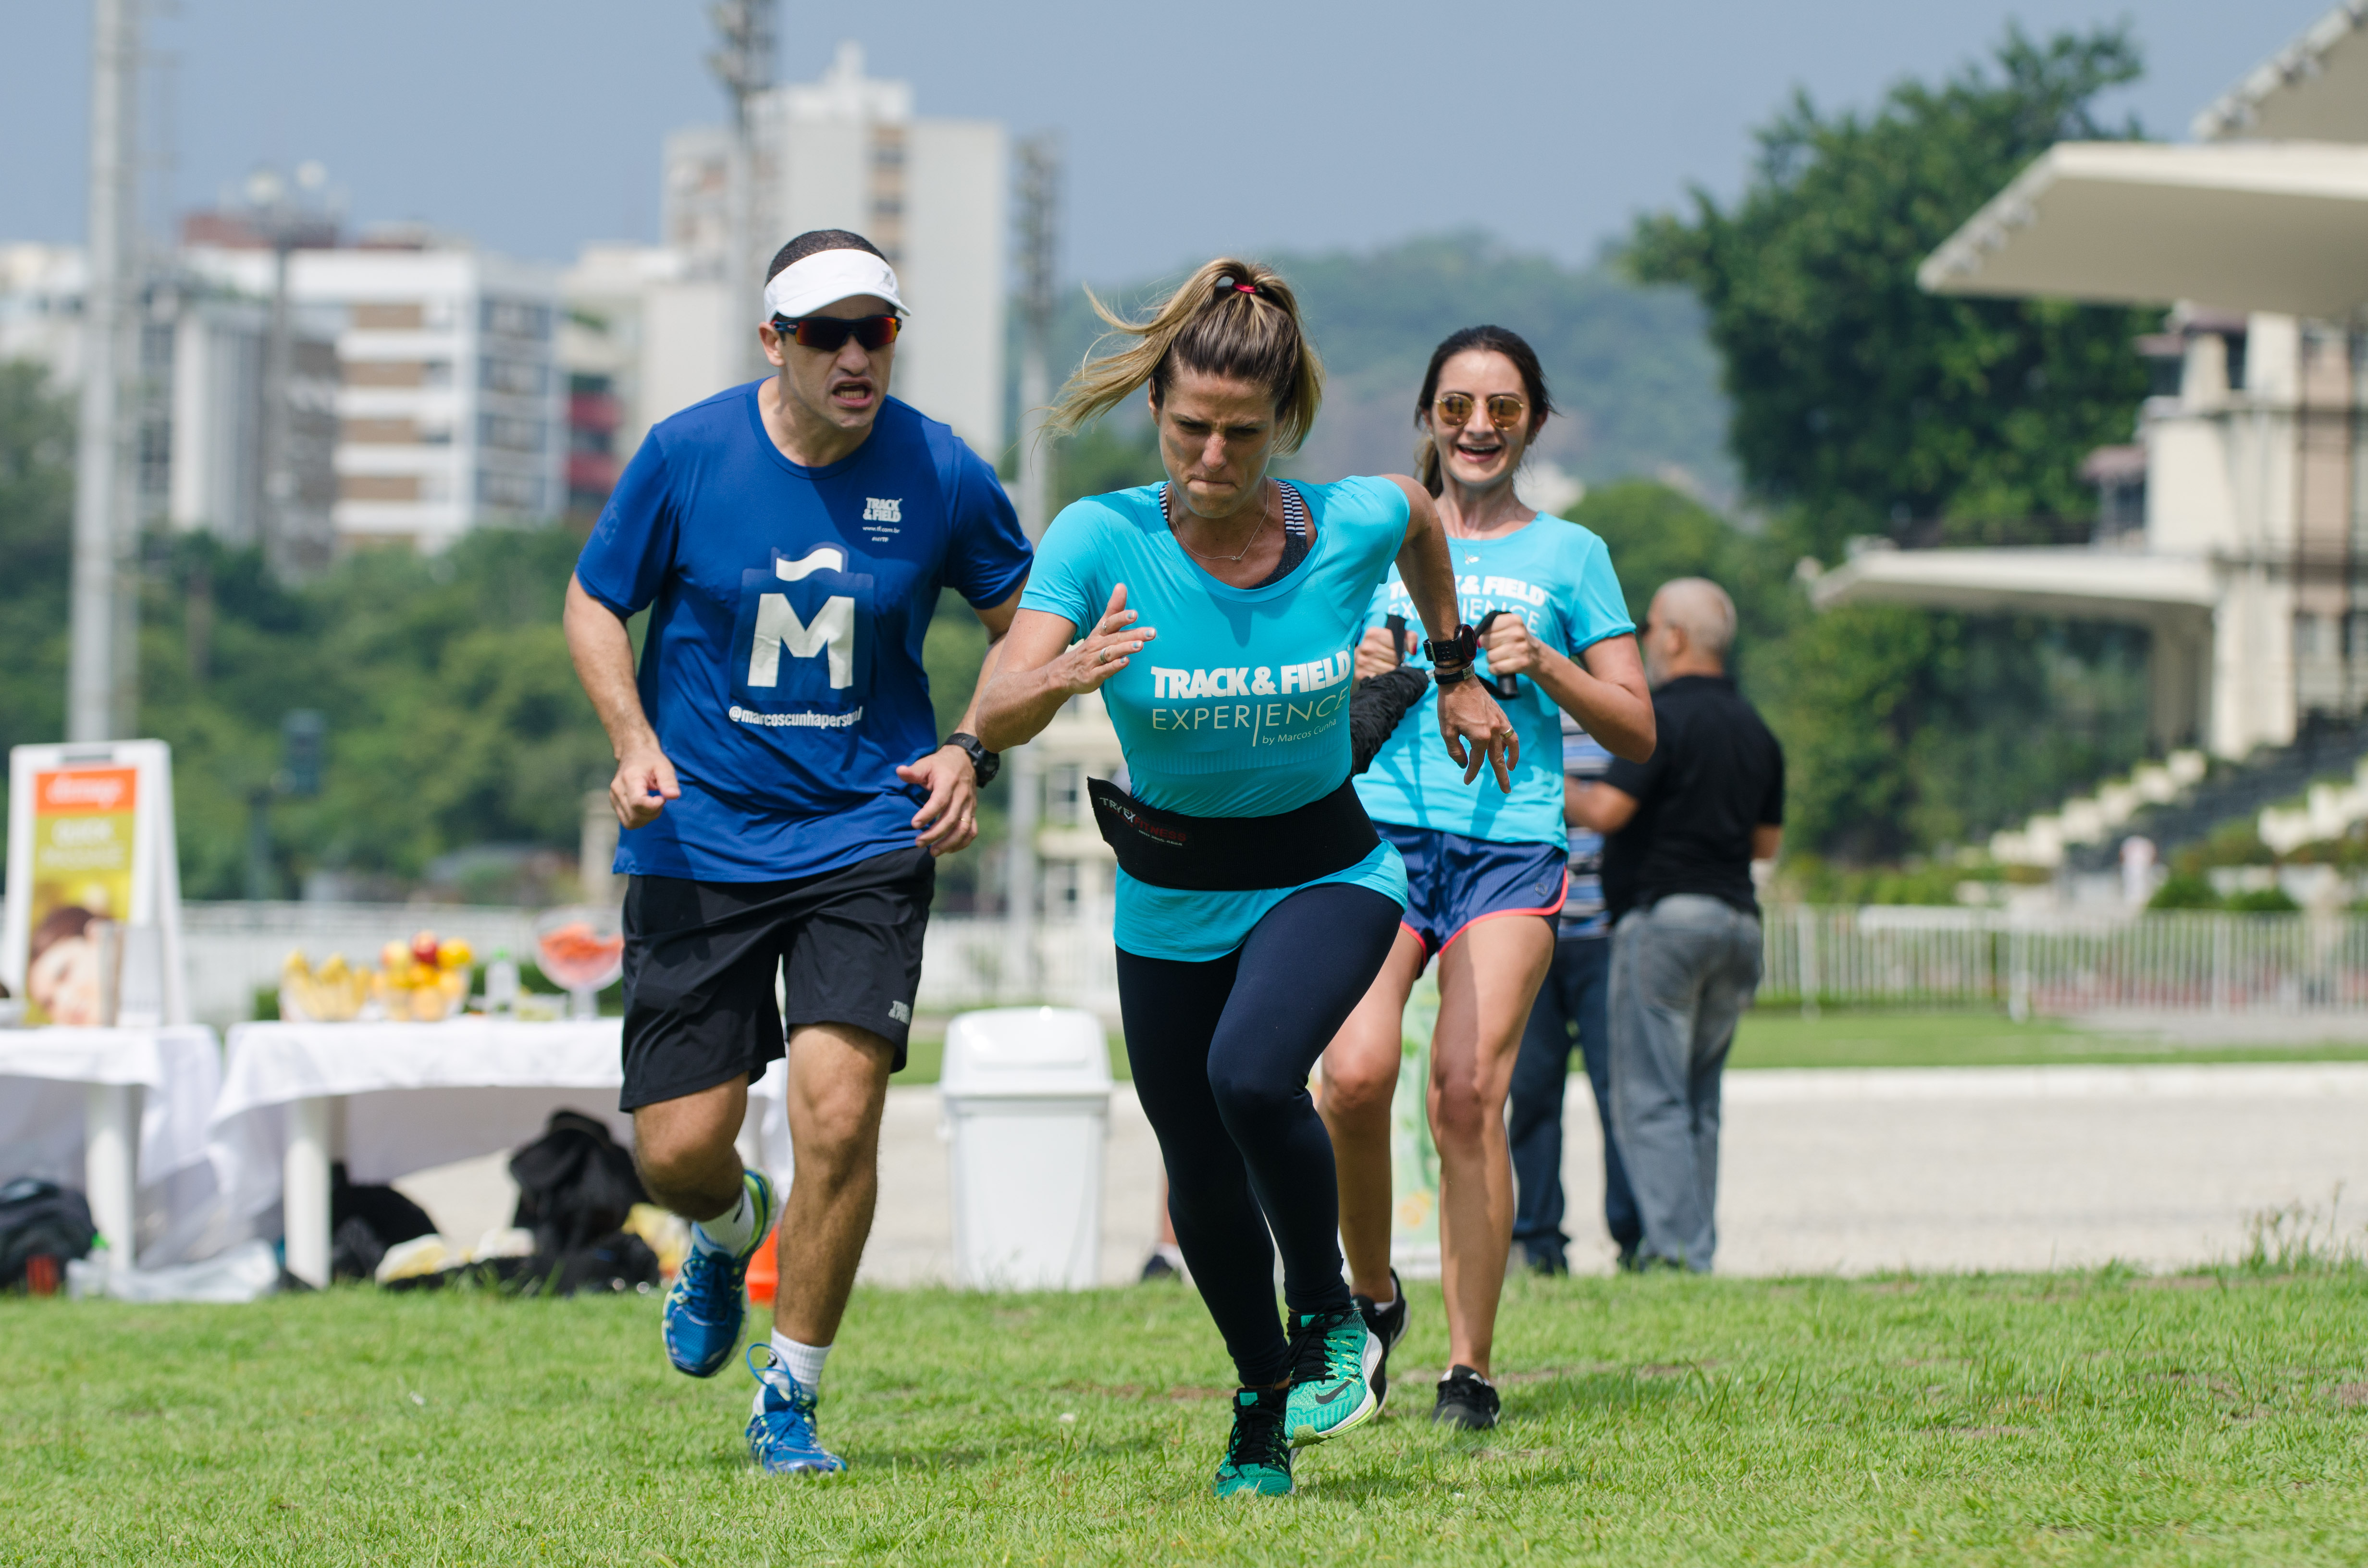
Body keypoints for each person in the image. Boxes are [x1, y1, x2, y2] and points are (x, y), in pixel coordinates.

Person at [978, 258, 1515, 1498]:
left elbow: (1424, 520)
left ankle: (1335, 1311)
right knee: (1195, 1161)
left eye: (1239, 433)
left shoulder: (1350, 521)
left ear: (1284, 427)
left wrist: (1454, 667)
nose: (1210, 457)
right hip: (1169, 896)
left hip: (1329, 869)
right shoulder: (1098, 536)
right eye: (1187, 430)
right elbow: (994, 705)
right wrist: (1048, 684)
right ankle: (1260, 1401)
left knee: (1250, 1074)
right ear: (1154, 414)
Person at [564, 229, 1032, 1476]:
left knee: (841, 1112)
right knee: (673, 1152)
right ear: (772, 342)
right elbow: (595, 598)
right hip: (700, 837)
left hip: (866, 838)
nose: (853, 356)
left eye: (874, 330)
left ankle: (792, 1393)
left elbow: (1023, 628)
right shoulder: (686, 456)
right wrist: (632, 738)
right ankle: (723, 1234)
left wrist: (970, 746)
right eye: (824, 333)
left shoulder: (939, 471)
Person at [1319, 326, 1653, 1431]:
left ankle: (1469, 1367)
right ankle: (1372, 1297)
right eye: (1458, 404)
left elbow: (1639, 728)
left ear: (1534, 423)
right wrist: (1348, 675)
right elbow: (1307, 702)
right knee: (1354, 1078)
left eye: (1503, 407)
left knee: (1466, 1093)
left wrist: (1546, 664)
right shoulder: (1366, 540)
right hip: (1377, 837)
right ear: (1428, 416)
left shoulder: (1574, 555)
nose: (1478, 425)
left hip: (1510, 847)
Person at [1569, 577, 1783, 1273]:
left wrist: (1537, 776)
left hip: (1664, 922)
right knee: (1700, 1099)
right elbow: (1766, 847)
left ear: (1676, 639)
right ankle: (1698, 1246)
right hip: (1736, 925)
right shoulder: (1758, 730)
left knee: (1651, 1098)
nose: (1646, 638)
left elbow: (1605, 813)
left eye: (1651, 626)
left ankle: (1675, 1254)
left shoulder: (1660, 720)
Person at [1506, 713, 1642, 1274]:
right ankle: (1537, 1241)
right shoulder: (1510, 714)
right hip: (1529, 936)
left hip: (1604, 936)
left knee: (1620, 1098)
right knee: (1532, 1093)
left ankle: (1634, 1236)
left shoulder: (1611, 721)